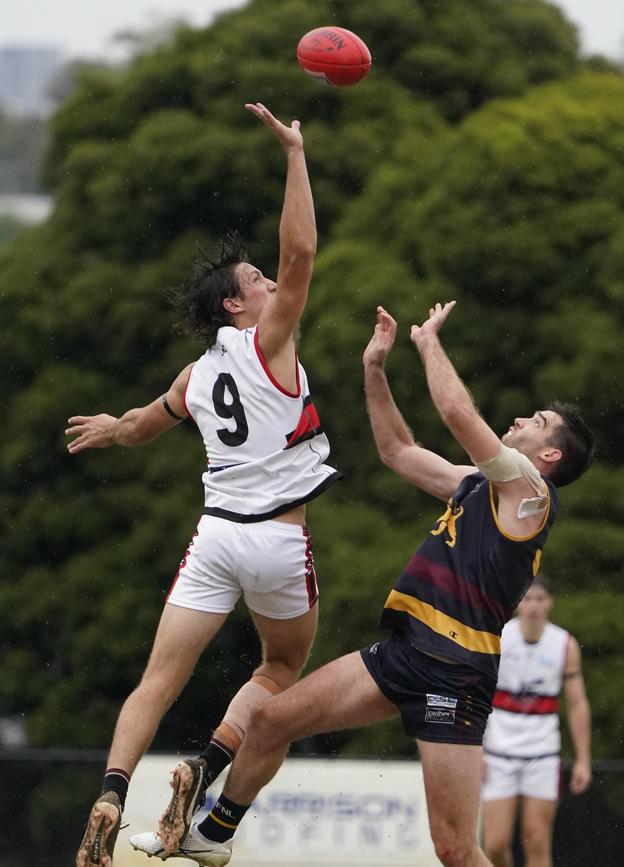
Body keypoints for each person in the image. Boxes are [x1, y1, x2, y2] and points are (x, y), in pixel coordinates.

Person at [131, 302, 595, 867]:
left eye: (538, 422)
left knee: (454, 849)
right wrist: (375, 369)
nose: (522, 419)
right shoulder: (481, 484)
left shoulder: (531, 492)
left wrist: (427, 344)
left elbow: (454, 410)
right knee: (273, 719)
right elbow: (397, 451)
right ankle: (213, 833)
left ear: (549, 456)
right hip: (404, 651)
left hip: (454, 670)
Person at [70, 102, 341, 867]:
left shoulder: (197, 374)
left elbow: (143, 425)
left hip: (215, 537)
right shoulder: (269, 341)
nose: (268, 280)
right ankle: (203, 767)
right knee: (281, 669)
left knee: (157, 678)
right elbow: (304, 251)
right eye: (254, 279)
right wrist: (294, 154)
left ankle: (113, 793)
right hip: (279, 538)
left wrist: (110, 428)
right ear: (237, 304)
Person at [481, 574, 592, 867]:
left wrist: (583, 758)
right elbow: (476, 694)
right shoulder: (499, 638)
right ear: (517, 604)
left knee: (537, 840)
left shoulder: (564, 644)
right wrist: (473, 747)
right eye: (527, 599)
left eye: (540, 599)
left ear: (550, 603)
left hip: (541, 754)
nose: (533, 606)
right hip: (498, 753)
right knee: (494, 844)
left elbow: (577, 702)